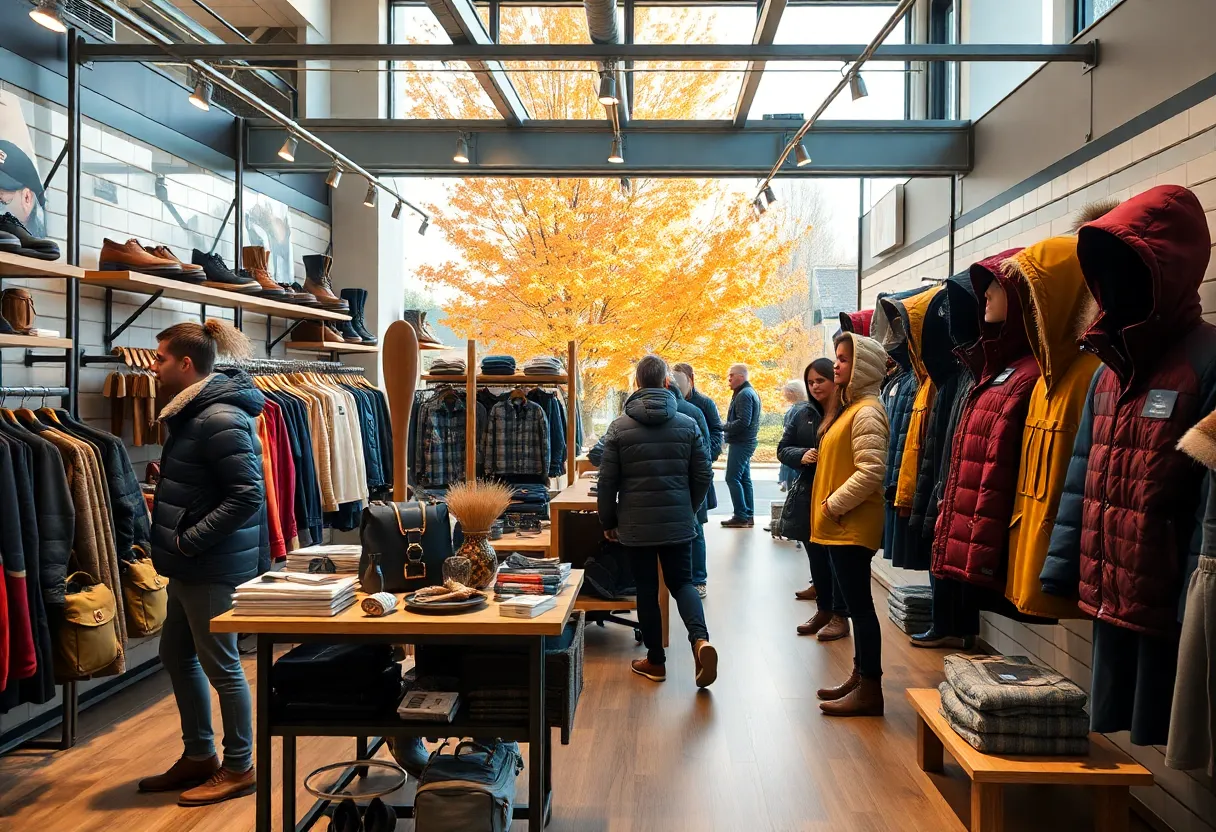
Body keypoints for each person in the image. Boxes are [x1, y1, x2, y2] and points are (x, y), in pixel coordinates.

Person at [139, 320, 268, 805]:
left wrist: (190, 540)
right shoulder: (195, 414)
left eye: (160, 359)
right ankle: (199, 755)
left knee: (223, 666)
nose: (154, 368)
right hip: (189, 564)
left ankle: (240, 767)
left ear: (186, 364)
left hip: (209, 565)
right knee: (175, 654)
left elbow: (247, 494)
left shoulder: (218, 417)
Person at [597, 355, 717, 687]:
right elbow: (703, 475)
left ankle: (656, 661)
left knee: (647, 590)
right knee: (682, 584)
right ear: (667, 382)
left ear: (636, 384)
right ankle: (700, 640)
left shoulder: (619, 427)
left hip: (635, 525)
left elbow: (607, 481)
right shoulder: (688, 423)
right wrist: (688, 509)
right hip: (678, 520)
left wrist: (608, 519)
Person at [811, 332, 890, 717]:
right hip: (841, 524)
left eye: (843, 358)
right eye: (837, 357)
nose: (836, 364)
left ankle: (870, 688)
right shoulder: (852, 408)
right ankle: (860, 676)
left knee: (860, 608)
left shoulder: (867, 411)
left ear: (864, 366)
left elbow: (872, 470)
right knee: (858, 607)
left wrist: (833, 505)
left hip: (850, 524)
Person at [778, 359, 850, 640]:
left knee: (836, 558)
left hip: (837, 493)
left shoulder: (847, 412)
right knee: (815, 555)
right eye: (810, 382)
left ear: (834, 381)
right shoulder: (802, 413)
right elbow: (783, 449)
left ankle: (840, 615)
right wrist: (802, 455)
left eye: (820, 380)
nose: (815, 386)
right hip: (808, 491)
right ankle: (824, 610)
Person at [672, 363, 721, 594]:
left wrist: (707, 458)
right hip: (684, 475)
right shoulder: (686, 407)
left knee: (696, 528)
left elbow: (714, 434)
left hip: (696, 475)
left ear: (691, 379)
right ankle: (685, 578)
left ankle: (699, 579)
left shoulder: (703, 405)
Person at [721, 363, 761, 528]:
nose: (728, 379)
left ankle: (741, 515)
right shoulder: (747, 392)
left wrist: (722, 426)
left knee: (732, 477)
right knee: (744, 478)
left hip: (742, 443)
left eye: (731, 375)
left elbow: (743, 422)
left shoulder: (744, 394)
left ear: (741, 377)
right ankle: (747, 514)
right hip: (745, 442)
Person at [777, 380, 809, 492]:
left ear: (792, 392)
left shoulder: (796, 409)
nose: (784, 395)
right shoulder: (805, 407)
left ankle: (785, 483)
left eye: (786, 392)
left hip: (794, 452)